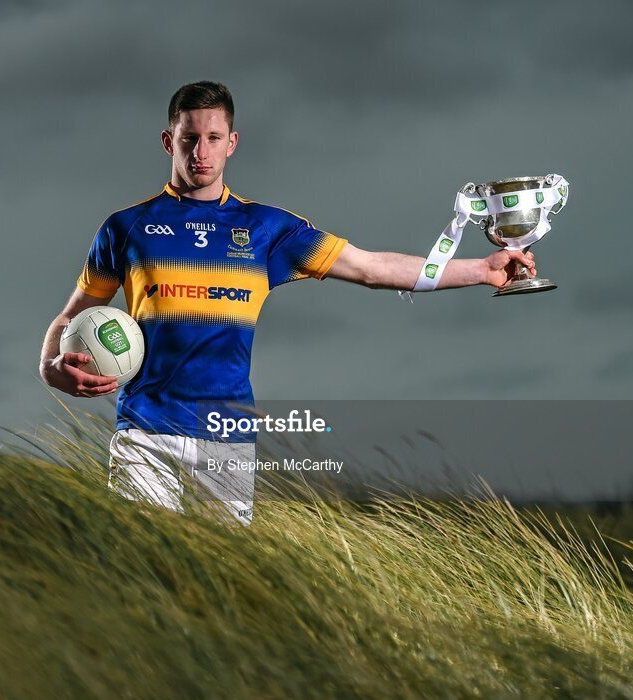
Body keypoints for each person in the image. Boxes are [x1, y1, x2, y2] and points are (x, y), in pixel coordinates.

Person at [39, 81, 535, 525]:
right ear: (170, 141)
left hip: (225, 432)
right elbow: (71, 315)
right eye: (189, 138)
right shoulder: (126, 228)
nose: (200, 152)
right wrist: (51, 365)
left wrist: (481, 270)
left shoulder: (268, 229)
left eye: (213, 139)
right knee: (136, 566)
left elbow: (371, 268)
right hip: (145, 429)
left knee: (227, 582)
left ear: (232, 144)